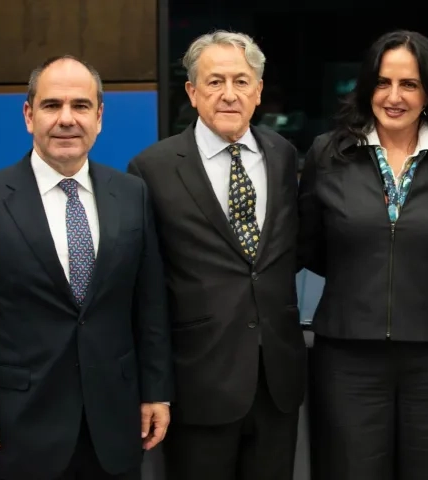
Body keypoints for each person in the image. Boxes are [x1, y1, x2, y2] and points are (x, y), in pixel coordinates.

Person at [0, 55, 173, 480]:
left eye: (81, 106)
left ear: (99, 117)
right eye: (52, 106)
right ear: (29, 115)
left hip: (115, 423)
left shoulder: (132, 194)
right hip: (21, 425)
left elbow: (149, 303)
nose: (67, 119)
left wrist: (158, 392)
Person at [126, 31, 305, 480]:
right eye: (215, 81)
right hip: (198, 385)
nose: (229, 94)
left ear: (259, 91)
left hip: (275, 382)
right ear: (192, 91)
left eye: (242, 81)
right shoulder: (152, 169)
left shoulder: (283, 155)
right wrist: (155, 387)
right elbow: (145, 290)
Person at [298, 30, 428, 480]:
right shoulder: (328, 154)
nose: (393, 96)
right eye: (382, 82)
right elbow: (311, 246)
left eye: (409, 84)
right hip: (347, 355)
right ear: (366, 87)